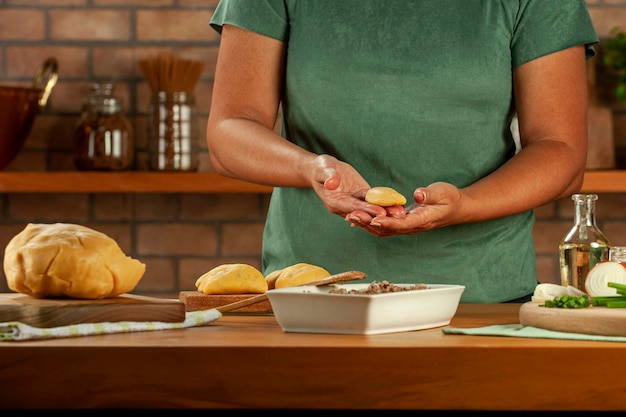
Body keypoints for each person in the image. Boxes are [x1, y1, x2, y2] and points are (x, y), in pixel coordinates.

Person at [206, 0, 599, 303]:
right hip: (311, 296)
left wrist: (466, 204)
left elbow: (560, 150)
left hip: (481, 298)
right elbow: (229, 132)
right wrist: (311, 167)